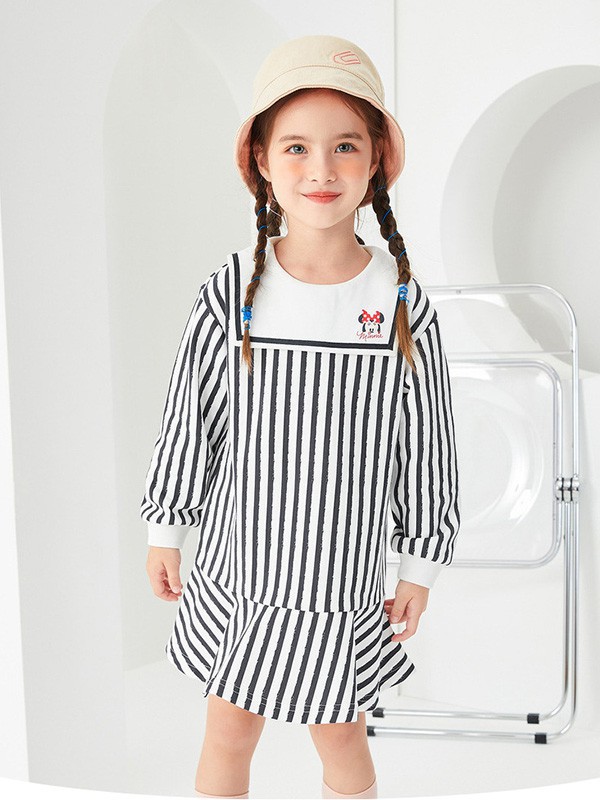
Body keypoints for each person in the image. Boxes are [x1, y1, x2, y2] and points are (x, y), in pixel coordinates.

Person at [140, 34, 460, 800]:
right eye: (296, 148)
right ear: (261, 160)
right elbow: (190, 417)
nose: (322, 170)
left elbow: (427, 445)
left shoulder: (399, 302)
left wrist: (418, 566)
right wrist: (165, 529)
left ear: (376, 160)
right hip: (242, 570)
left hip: (340, 579)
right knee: (228, 731)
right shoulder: (231, 293)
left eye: (346, 146)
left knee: (342, 736)